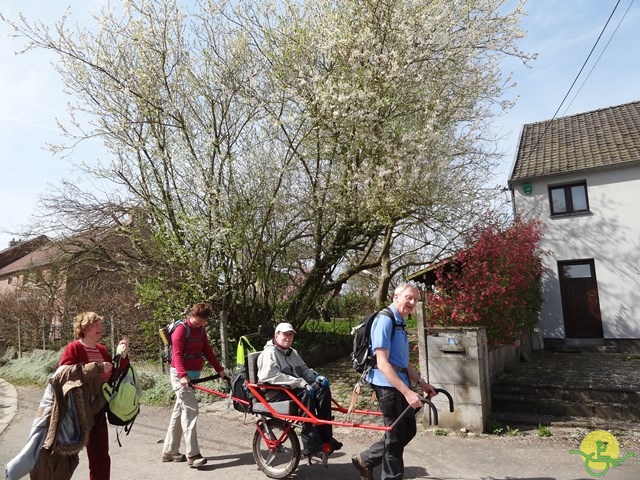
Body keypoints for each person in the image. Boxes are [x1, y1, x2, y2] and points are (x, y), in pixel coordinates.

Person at [352, 283, 438, 480]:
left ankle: (366, 458)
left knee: (408, 430)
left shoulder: (399, 321)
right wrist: (408, 392)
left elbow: (403, 361)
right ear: (395, 297)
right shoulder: (385, 320)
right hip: (385, 383)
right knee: (395, 435)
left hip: (399, 381)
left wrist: (421, 383)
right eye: (409, 297)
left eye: (416, 299)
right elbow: (382, 363)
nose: (412, 302)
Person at [58, 311, 130, 480]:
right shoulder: (74, 348)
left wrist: (123, 356)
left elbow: (116, 374)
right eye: (95, 325)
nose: (100, 328)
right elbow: (63, 374)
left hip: (98, 409)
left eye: (100, 324)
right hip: (77, 410)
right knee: (66, 455)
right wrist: (95, 367)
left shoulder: (102, 349)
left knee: (100, 456)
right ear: (84, 327)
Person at [256, 322, 342, 455]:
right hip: (276, 392)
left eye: (291, 335)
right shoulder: (269, 353)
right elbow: (271, 376)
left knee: (322, 389)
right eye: (285, 334)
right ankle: (311, 444)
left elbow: (303, 370)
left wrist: (316, 377)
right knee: (305, 394)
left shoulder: (292, 352)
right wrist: (299, 382)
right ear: (276, 335)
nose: (288, 337)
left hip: (293, 388)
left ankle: (326, 436)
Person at [161, 302, 229, 468]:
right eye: (198, 321)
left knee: (179, 412)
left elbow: (207, 350)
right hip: (180, 376)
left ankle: (170, 452)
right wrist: (183, 376)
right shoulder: (181, 330)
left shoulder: (200, 330)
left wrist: (220, 370)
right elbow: (176, 355)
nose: (201, 324)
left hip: (193, 376)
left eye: (203, 322)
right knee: (191, 412)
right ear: (191, 315)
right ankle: (193, 455)